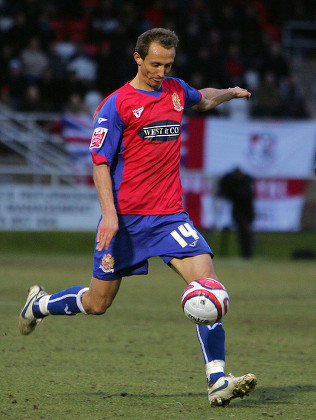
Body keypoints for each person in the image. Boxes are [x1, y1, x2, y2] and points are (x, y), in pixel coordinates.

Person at [18, 28, 257, 408]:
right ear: (138, 58)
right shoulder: (117, 105)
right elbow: (99, 164)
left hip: (170, 218)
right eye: (155, 64)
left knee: (208, 289)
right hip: (126, 221)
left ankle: (217, 380)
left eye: (168, 64)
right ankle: (40, 305)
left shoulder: (175, 91)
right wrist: (109, 217)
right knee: (98, 303)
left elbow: (204, 99)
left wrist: (228, 93)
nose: (161, 71)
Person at [219, 167, 255, 258]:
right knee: (244, 232)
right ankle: (246, 254)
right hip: (240, 210)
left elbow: (240, 194)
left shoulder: (244, 185)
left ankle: (247, 254)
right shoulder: (245, 183)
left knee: (245, 232)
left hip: (245, 211)